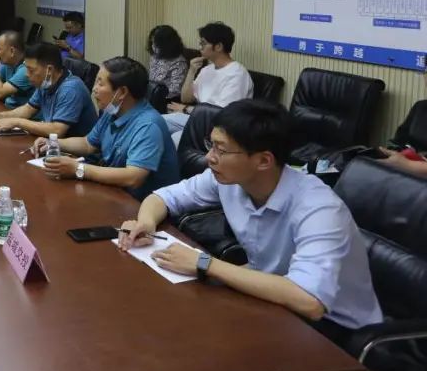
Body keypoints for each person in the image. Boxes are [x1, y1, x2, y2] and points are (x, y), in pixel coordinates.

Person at [119, 99, 382, 342]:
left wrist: (205, 263)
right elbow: (164, 197)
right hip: (270, 299)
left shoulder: (318, 207)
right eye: (211, 145)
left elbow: (309, 301)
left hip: (335, 330)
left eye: (221, 149)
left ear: (264, 160)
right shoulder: (230, 179)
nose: (209, 157)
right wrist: (146, 223)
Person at [35, 57, 179, 200]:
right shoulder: (112, 111)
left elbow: (133, 177)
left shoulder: (148, 125)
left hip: (140, 204)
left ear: (122, 92)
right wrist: (53, 143)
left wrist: (78, 169)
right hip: (114, 193)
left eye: (100, 83)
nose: (94, 89)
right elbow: (88, 144)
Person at [164, 22, 253, 144]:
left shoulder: (237, 74)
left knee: (176, 138)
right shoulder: (207, 70)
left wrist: (186, 109)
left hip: (220, 129)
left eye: (203, 43)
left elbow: (222, 115)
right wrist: (191, 71)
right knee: (157, 122)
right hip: (199, 120)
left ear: (218, 46)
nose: (200, 47)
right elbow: (186, 98)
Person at [0, 43, 97, 138]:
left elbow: (57, 130)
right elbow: (28, 109)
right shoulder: (46, 83)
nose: (27, 74)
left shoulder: (71, 89)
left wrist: (17, 122)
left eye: (31, 70)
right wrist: (1, 116)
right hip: (52, 144)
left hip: (74, 151)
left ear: (49, 70)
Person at [376, 64, 427, 177]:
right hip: (402, 176)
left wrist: (408, 165)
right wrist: (388, 153)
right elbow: (398, 141)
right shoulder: (421, 107)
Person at [146, 24, 189, 99]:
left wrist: (154, 96)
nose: (153, 46)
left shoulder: (179, 63)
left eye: (156, 44)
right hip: (151, 93)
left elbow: (175, 91)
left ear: (167, 44)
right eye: (152, 42)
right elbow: (151, 79)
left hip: (165, 99)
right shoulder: (155, 56)